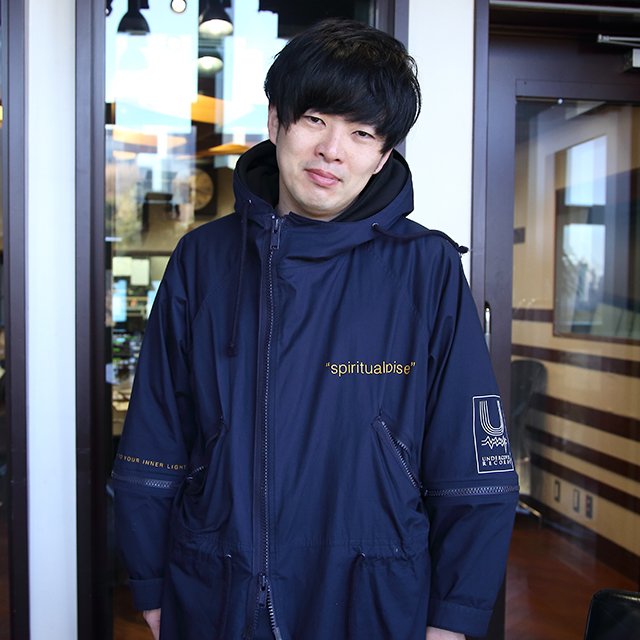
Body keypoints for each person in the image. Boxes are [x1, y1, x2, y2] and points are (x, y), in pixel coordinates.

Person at [112, 18, 519, 640]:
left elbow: (472, 463)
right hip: (218, 587)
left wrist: (454, 616)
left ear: (383, 156)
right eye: (315, 119)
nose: (332, 149)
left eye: (362, 133)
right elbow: (156, 433)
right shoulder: (204, 259)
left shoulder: (426, 268)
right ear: (276, 122)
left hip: (372, 598)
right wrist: (149, 581)